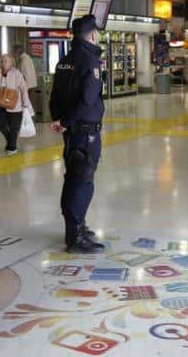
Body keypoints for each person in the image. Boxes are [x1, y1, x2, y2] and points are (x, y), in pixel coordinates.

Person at [49, 14, 105, 254]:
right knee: (83, 180)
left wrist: (60, 121)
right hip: (85, 131)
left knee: (73, 176)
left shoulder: (64, 61)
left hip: (71, 132)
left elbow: (54, 97)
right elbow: (87, 101)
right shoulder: (90, 62)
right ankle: (76, 236)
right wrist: (68, 121)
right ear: (92, 35)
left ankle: (74, 227)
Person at [0, 53, 32, 155]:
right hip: (1, 103)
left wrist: (26, 103)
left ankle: (12, 147)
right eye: (2, 61)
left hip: (15, 105)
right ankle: (10, 141)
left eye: (6, 61)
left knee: (13, 127)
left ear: (11, 62)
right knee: (0, 123)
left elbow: (23, 89)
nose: (3, 63)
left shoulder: (17, 73)